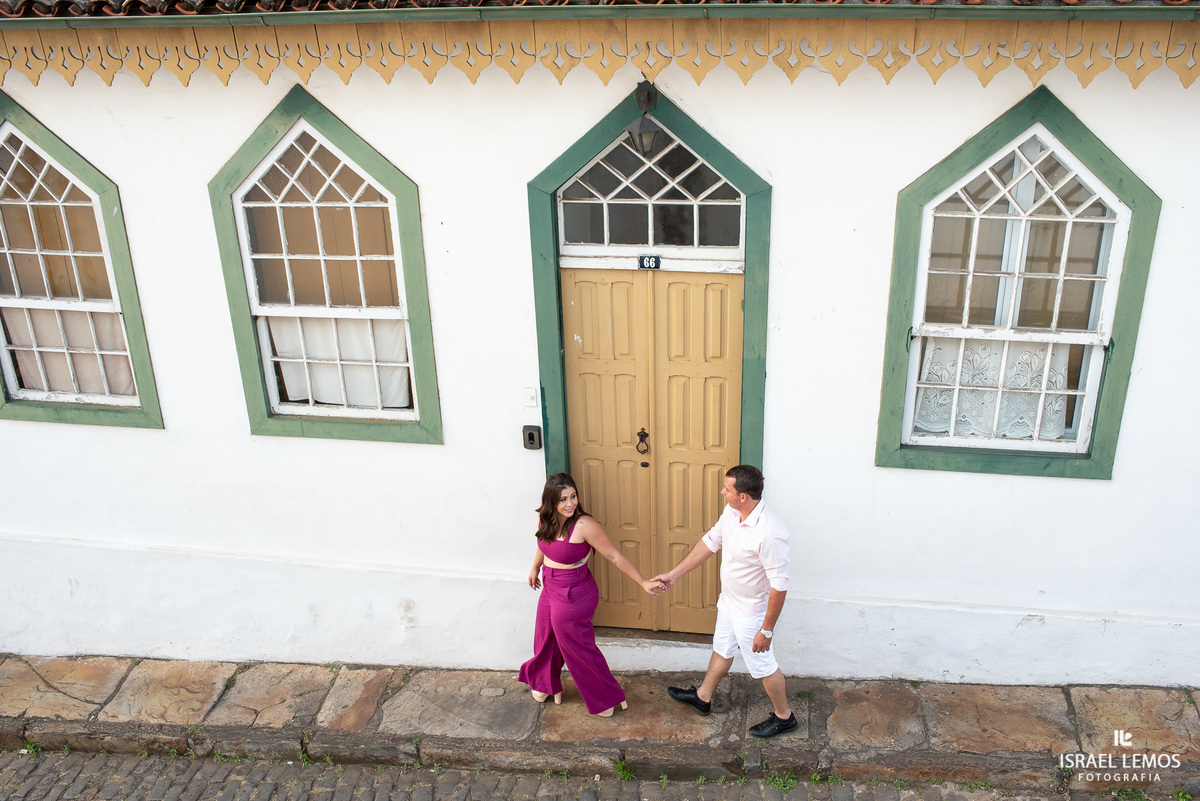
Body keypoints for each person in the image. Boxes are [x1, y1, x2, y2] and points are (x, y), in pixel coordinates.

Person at [652, 464, 797, 738]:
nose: (722, 492)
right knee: (722, 649)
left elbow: (780, 586)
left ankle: (784, 717)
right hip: (729, 603)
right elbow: (710, 542)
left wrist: (766, 630)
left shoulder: (769, 532)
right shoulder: (732, 513)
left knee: (765, 667)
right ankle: (703, 697)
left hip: (752, 613)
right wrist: (674, 575)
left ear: (743, 496)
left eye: (727, 489)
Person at [518, 473, 663, 716]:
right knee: (546, 638)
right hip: (550, 585)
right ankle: (545, 683)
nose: (570, 503)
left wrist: (644, 582)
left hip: (574, 591)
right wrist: (535, 567)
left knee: (577, 647)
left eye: (573, 496)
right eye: (563, 499)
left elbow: (614, 557)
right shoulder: (545, 519)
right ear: (551, 501)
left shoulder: (585, 526)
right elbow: (542, 544)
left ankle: (606, 697)